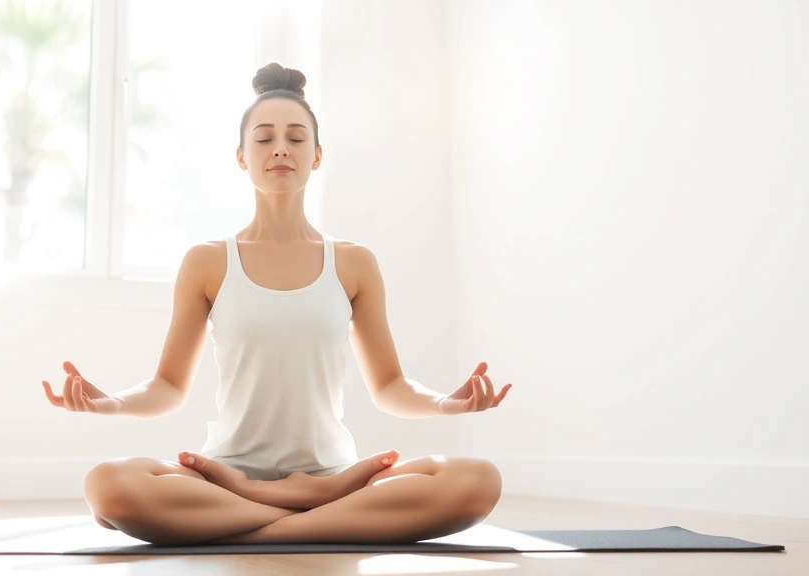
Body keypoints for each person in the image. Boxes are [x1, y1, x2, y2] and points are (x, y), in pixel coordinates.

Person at [41, 62, 512, 546]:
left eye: (296, 137)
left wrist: (444, 403)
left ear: (317, 155)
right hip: (227, 474)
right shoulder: (207, 262)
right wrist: (113, 403)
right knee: (109, 486)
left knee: (478, 481)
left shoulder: (354, 263)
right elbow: (168, 386)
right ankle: (311, 519)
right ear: (242, 157)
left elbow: (389, 385)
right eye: (264, 139)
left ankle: (254, 522)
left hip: (332, 477)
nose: (281, 148)